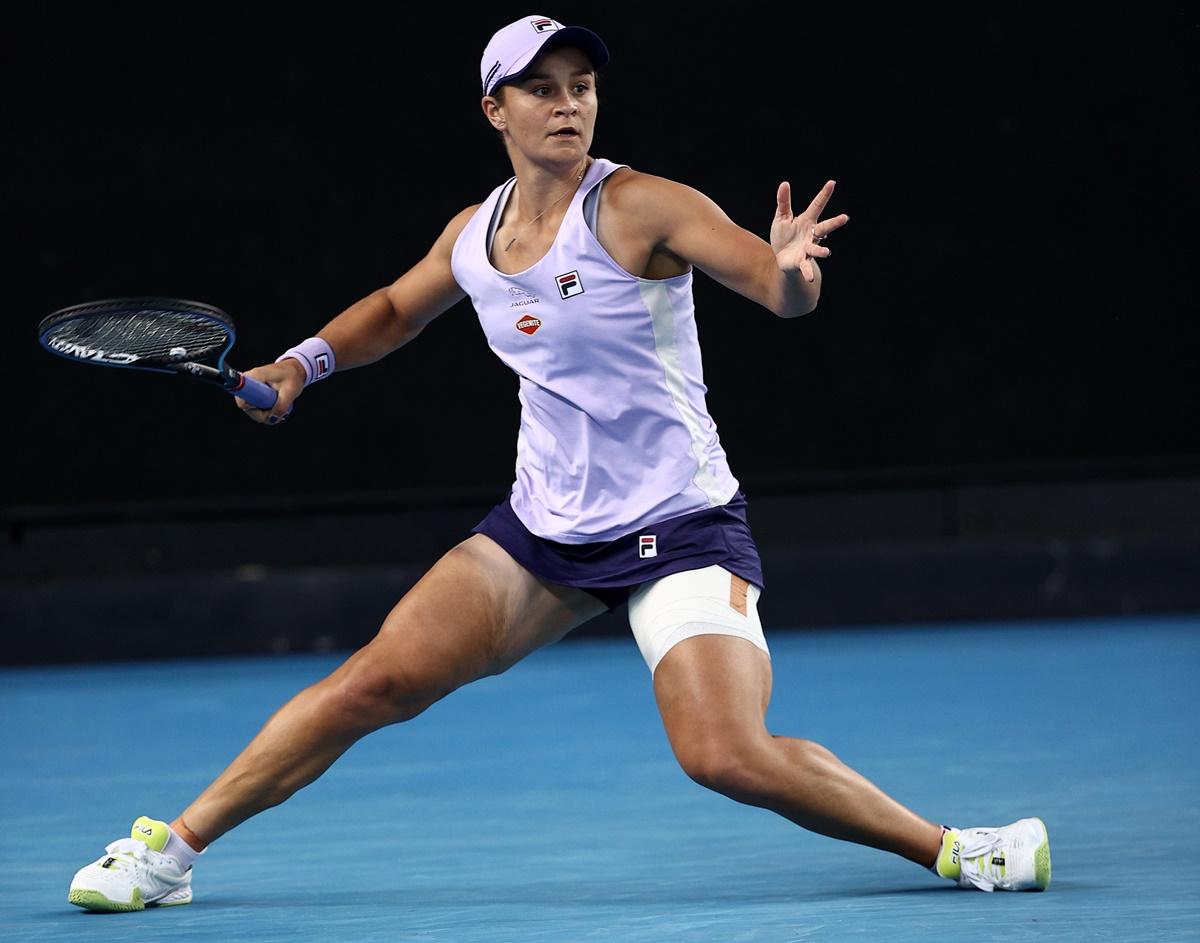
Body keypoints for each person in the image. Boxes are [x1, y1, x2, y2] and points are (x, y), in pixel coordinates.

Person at [68, 15, 1050, 913]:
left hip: (680, 529)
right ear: (496, 109)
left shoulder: (640, 206)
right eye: (541, 87)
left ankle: (966, 849)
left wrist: (793, 273)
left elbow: (770, 283)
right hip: (542, 530)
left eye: (580, 84)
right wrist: (297, 367)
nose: (567, 101)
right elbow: (394, 309)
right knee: (373, 681)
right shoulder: (475, 233)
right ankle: (170, 853)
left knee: (724, 754)